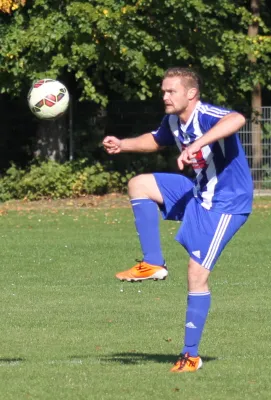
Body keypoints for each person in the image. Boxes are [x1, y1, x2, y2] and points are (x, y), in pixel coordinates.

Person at [103, 67, 253, 373]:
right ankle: (154, 262)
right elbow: (157, 140)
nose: (165, 96)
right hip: (199, 194)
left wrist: (197, 144)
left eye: (171, 91)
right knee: (139, 185)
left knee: (196, 274)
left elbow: (237, 119)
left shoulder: (206, 114)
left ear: (191, 94)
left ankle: (190, 356)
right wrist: (124, 144)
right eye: (163, 91)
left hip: (227, 204)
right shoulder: (173, 120)